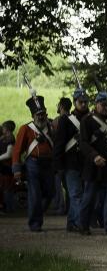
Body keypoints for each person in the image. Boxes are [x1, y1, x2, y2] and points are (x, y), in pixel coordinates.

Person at [79, 91, 107, 235]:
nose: (105, 107)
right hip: (93, 164)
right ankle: (83, 225)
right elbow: (83, 143)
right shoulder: (87, 120)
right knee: (89, 197)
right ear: (96, 104)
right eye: (103, 105)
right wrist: (94, 156)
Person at [12, 96, 58, 231]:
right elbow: (17, 150)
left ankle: (37, 213)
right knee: (35, 194)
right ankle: (35, 223)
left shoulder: (51, 128)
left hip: (48, 164)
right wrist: (16, 169)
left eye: (43, 114)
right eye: (38, 114)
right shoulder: (25, 129)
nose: (41, 117)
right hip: (33, 164)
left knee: (50, 193)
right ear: (33, 116)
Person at [52, 93, 90, 231]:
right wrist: (58, 164)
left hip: (86, 162)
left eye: (85, 102)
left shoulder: (91, 118)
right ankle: (80, 223)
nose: (83, 104)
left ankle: (72, 222)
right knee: (75, 194)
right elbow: (59, 143)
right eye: (80, 102)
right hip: (71, 162)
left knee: (83, 194)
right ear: (74, 103)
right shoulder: (66, 120)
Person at [0, 121, 16, 215]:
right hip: (4, 166)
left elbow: (9, 154)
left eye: (3, 127)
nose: (2, 129)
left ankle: (9, 208)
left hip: (7, 166)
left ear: (7, 129)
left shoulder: (10, 139)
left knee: (7, 188)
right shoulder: (4, 137)